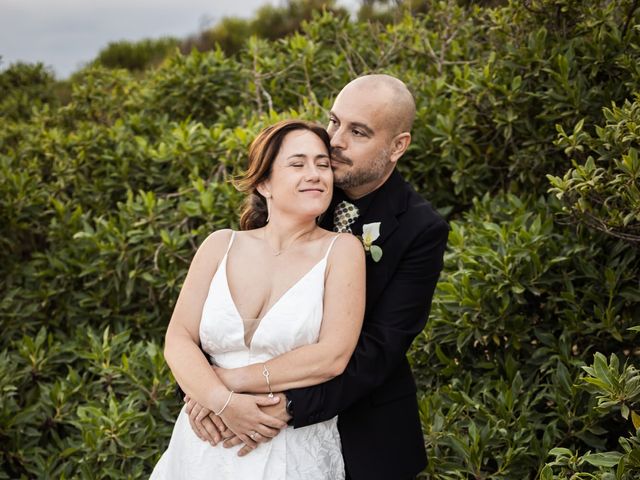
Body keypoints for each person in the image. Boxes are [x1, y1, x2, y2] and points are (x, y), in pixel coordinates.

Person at [187, 74, 450, 479]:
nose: (335, 140)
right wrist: (206, 394)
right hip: (226, 428)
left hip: (364, 430)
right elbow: (222, 309)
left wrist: (281, 404)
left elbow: (379, 348)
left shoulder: (420, 228)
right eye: (333, 122)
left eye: (358, 131)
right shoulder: (296, 188)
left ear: (398, 146)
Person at [150, 119, 366, 479]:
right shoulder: (220, 245)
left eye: (323, 164)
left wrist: (223, 384)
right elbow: (178, 339)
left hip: (291, 449)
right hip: (205, 442)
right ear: (264, 182)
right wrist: (222, 404)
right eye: (297, 164)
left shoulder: (342, 250)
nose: (314, 174)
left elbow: (333, 355)